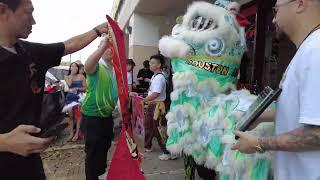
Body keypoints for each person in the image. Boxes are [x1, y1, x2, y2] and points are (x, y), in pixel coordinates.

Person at [0, 0, 110, 179]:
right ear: (3, 10)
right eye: (29, 12)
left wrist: (97, 31)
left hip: (30, 162)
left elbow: (68, 46)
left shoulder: (30, 51)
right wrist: (4, 142)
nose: (33, 21)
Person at [231, 0, 320, 179]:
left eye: (276, 10)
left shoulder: (316, 50)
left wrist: (259, 143)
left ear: (300, 4)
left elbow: (317, 134)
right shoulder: (308, 49)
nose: (273, 19)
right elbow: (305, 112)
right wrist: (260, 117)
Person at [81, 37, 118, 180]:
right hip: (92, 117)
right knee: (93, 153)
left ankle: (101, 174)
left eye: (111, 47)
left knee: (105, 146)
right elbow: (88, 66)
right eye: (106, 47)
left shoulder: (114, 69)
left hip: (107, 116)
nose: (110, 49)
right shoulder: (97, 66)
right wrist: (103, 45)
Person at [143, 54, 175, 161]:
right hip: (153, 105)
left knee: (159, 129)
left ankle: (169, 152)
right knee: (149, 125)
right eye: (150, 62)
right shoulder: (154, 76)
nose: (150, 64)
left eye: (153, 63)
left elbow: (156, 93)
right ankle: (148, 146)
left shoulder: (160, 77)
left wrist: (144, 100)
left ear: (159, 65)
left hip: (158, 106)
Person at [64, 62, 87, 141]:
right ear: (70, 68)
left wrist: (78, 89)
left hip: (78, 98)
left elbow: (85, 88)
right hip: (69, 98)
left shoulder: (81, 76)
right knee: (70, 117)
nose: (74, 68)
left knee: (78, 117)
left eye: (76, 67)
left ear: (78, 68)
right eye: (72, 66)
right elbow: (70, 84)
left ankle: (77, 134)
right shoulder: (67, 76)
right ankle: (71, 134)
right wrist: (72, 75)